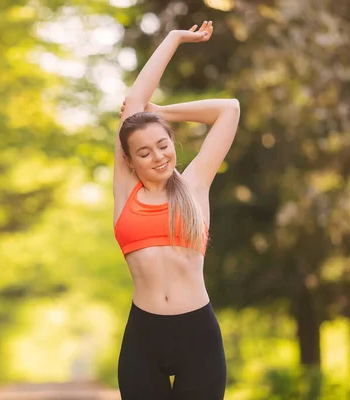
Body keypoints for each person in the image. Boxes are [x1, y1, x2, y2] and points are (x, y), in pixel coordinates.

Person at [114, 21, 240, 399]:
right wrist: (173, 38)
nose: (157, 156)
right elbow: (133, 105)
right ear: (130, 160)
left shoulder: (195, 183)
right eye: (144, 151)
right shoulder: (126, 191)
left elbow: (229, 109)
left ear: (172, 142)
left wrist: (162, 111)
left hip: (198, 338)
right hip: (143, 341)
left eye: (162, 144)